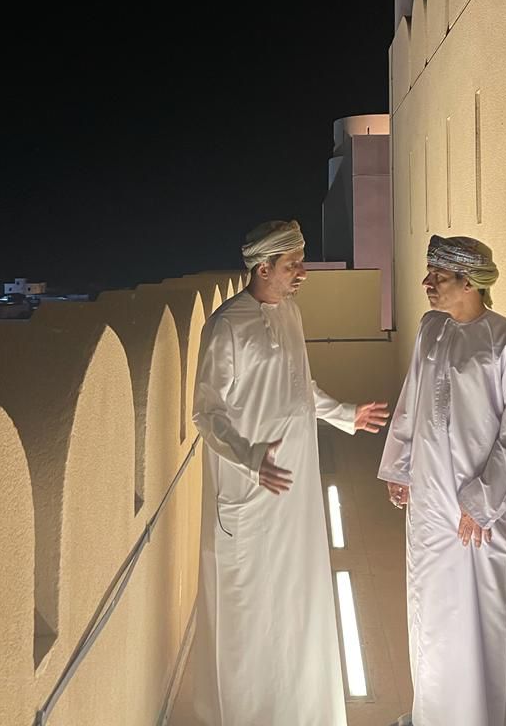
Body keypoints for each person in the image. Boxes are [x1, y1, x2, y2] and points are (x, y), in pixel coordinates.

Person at [189, 219, 389, 726]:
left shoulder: (291, 314)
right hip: (249, 492)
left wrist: (345, 414)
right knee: (249, 609)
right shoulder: (226, 326)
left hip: (294, 488)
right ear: (263, 268)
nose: (302, 272)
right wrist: (249, 456)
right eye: (292, 264)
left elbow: (301, 389)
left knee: (297, 600)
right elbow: (207, 414)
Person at [379, 235, 506, 726]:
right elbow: (413, 399)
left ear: (469, 283)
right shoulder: (431, 328)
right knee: (433, 611)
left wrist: (480, 503)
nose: (427, 282)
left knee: (483, 614)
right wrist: (400, 465)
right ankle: (434, 714)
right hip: (429, 501)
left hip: (482, 509)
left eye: (438, 276)